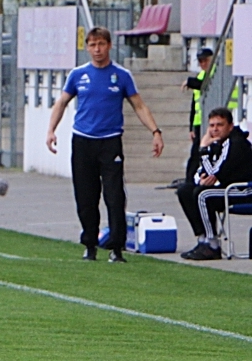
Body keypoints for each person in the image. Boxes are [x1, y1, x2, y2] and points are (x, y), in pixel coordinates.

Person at [46, 26, 164, 262]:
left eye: (101, 44)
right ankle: (90, 244)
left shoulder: (121, 75)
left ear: (109, 45)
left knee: (114, 195)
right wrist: (51, 130)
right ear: (87, 47)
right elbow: (61, 103)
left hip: (110, 141)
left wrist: (155, 131)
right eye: (92, 45)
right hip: (83, 141)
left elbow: (138, 105)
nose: (97, 49)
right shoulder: (78, 74)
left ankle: (116, 248)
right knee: (86, 196)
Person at [177, 107, 252, 260]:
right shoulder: (216, 143)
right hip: (224, 187)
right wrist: (201, 179)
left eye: (219, 125)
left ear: (230, 126)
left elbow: (217, 171)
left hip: (242, 189)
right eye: (212, 125)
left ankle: (212, 245)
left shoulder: (236, 143)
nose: (215, 129)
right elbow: (200, 172)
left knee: (202, 194)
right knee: (185, 190)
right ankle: (203, 239)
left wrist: (203, 150)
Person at [183, 47, 214, 182]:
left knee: (200, 152)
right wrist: (191, 127)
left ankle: (191, 180)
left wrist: (189, 82)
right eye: (200, 61)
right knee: (195, 153)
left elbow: (205, 85)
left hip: (213, 120)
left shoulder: (215, 72)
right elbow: (194, 104)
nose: (203, 64)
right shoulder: (201, 75)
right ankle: (190, 180)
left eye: (205, 60)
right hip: (199, 121)